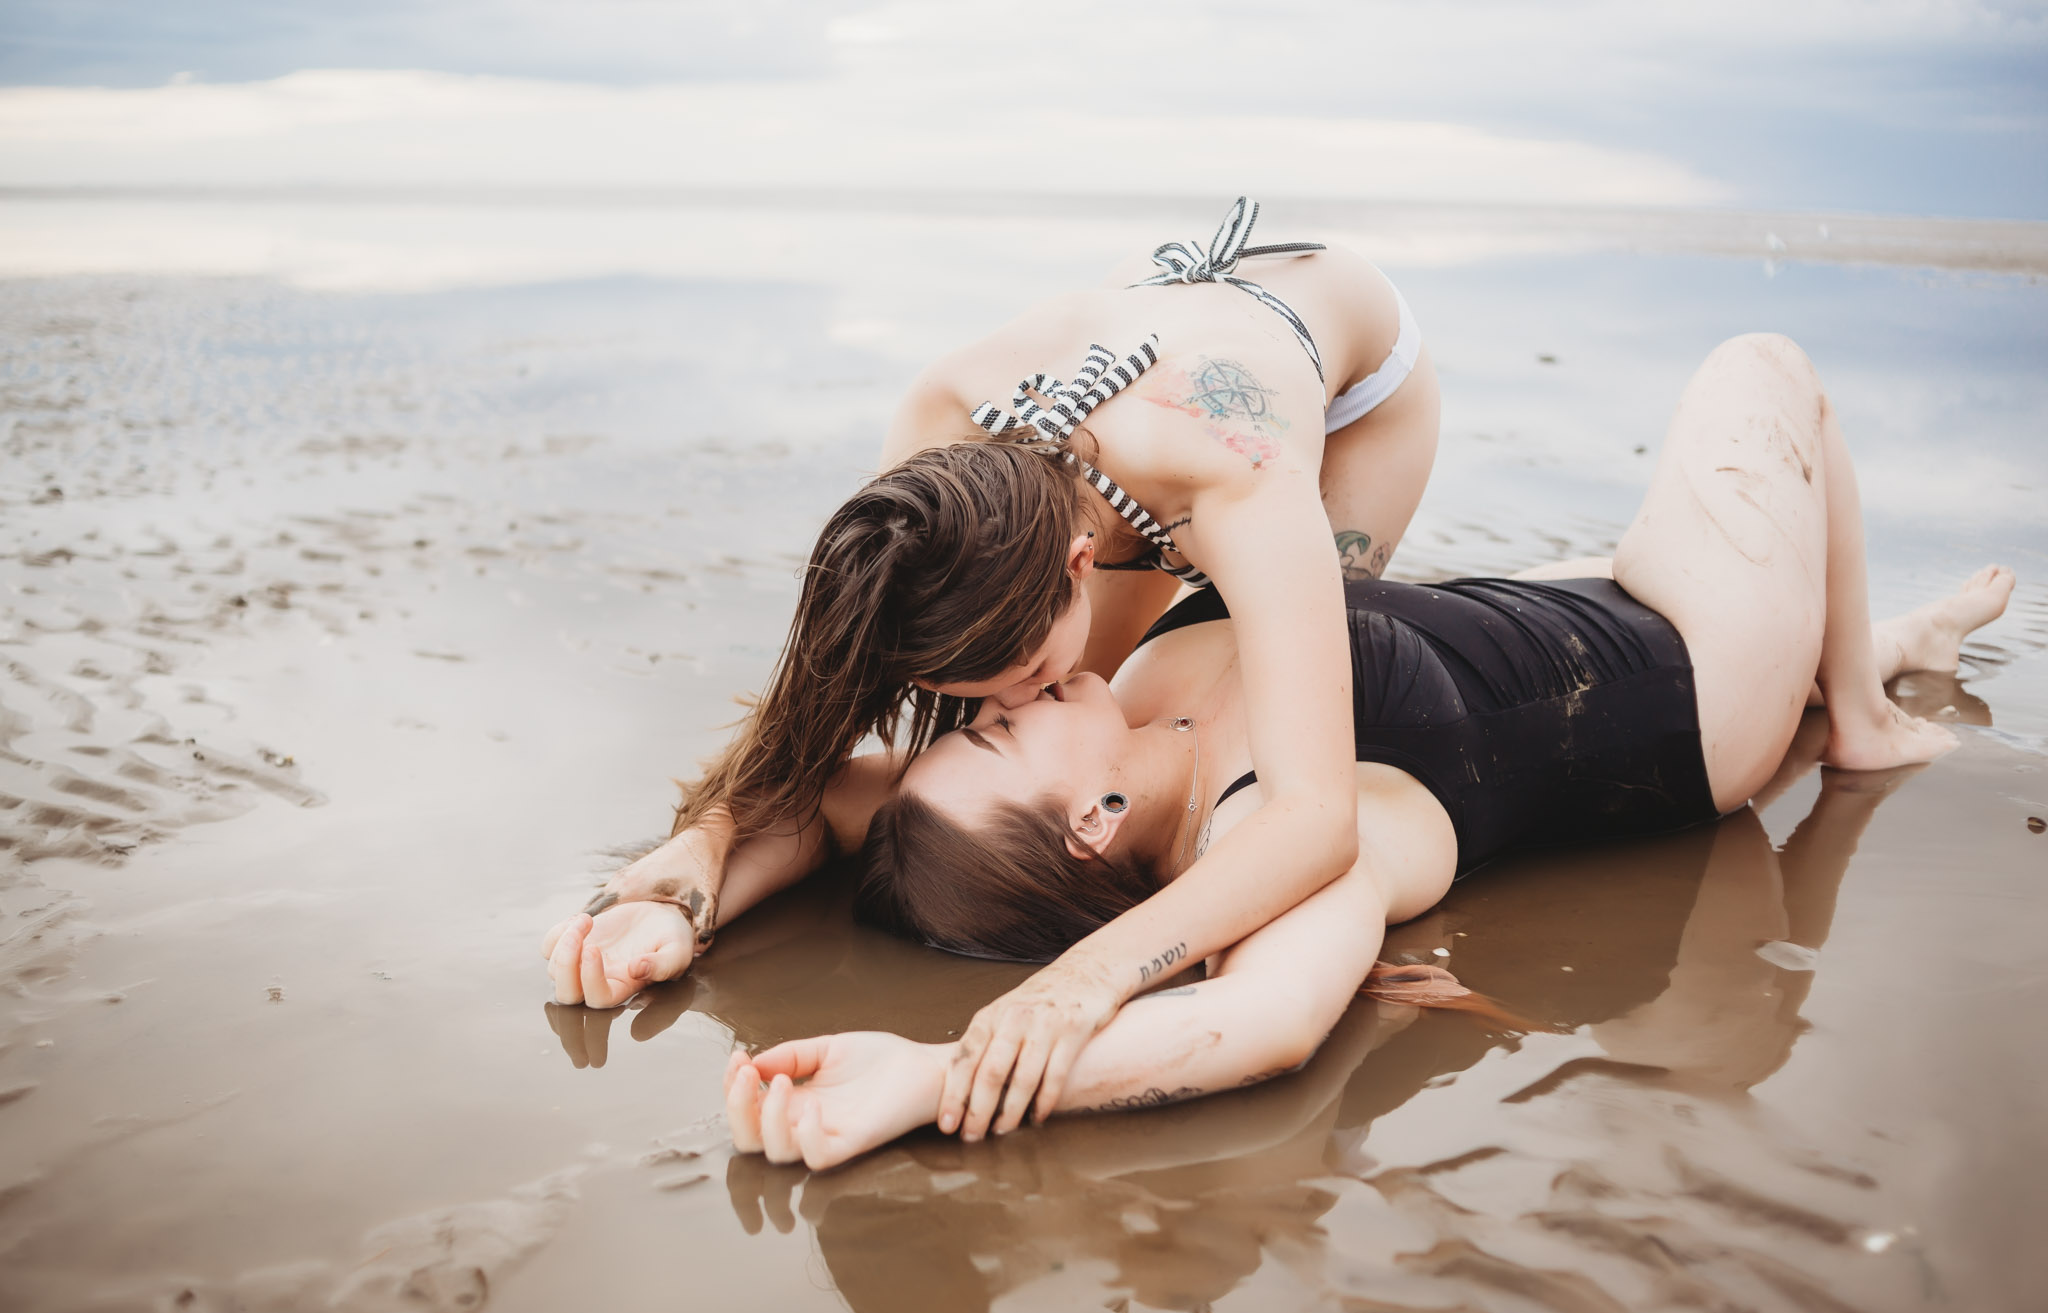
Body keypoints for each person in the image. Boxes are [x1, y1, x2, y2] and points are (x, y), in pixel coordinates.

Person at [708, 333, 2014, 1170]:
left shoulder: (1127, 699)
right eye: (998, 728)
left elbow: (828, 797)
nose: (1006, 696)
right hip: (1688, 667)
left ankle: (1889, 641)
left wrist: (675, 891)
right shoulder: (1280, 829)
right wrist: (936, 1078)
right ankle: (1860, 709)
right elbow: (1258, 1019)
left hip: (1541, 608)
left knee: (1626, 543)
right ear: (1093, 821)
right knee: (1767, 368)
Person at [545, 199, 1443, 1113]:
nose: (996, 705)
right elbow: (825, 739)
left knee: (1266, 716)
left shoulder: (1239, 479)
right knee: (1077, 747)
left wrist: (1090, 974)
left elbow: (1318, 816)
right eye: (965, 695)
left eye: (1015, 679)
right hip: (1143, 367)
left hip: (1334, 379)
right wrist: (700, 854)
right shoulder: (939, 427)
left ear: (1078, 566)